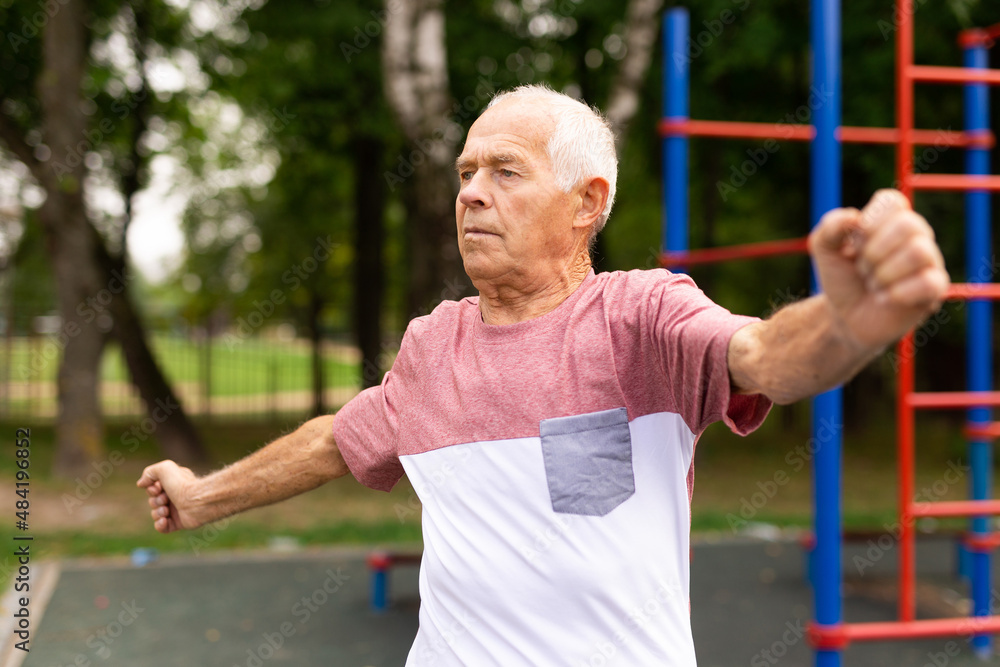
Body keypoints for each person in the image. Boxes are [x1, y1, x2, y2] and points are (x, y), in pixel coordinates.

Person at [138, 85, 948, 665]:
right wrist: (205, 495)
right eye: (464, 174)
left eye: (505, 172)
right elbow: (333, 440)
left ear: (587, 202)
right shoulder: (433, 345)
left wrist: (852, 320)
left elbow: (765, 356)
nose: (472, 196)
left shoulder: (643, 317)